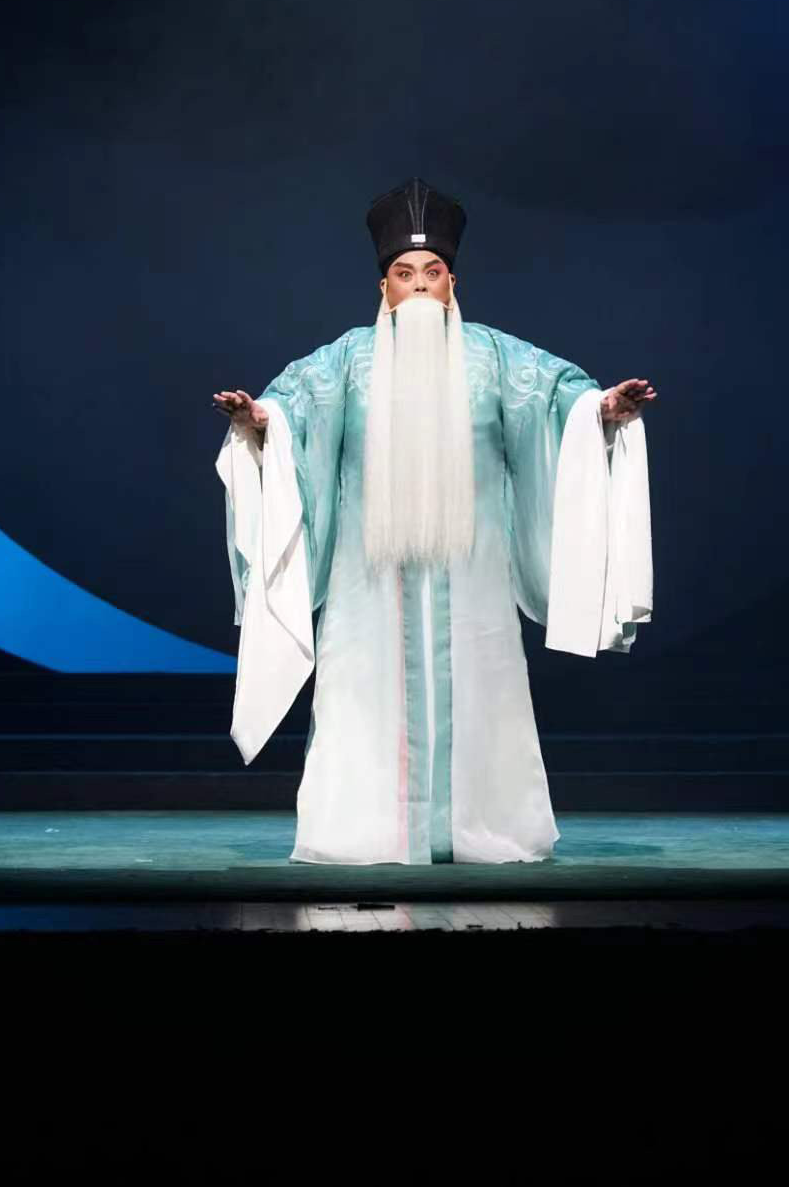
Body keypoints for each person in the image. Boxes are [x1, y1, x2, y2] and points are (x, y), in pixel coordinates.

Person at [212, 176, 655, 865]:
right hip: (369, 583)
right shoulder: (347, 361)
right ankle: (362, 831)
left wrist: (601, 411)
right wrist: (260, 421)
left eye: (432, 272)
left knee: (484, 699)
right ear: (383, 287)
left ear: (453, 283)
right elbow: (295, 409)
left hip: (472, 578)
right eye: (404, 273)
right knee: (359, 698)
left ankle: (486, 827)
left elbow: (555, 399)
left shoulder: (494, 357)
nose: (418, 285)